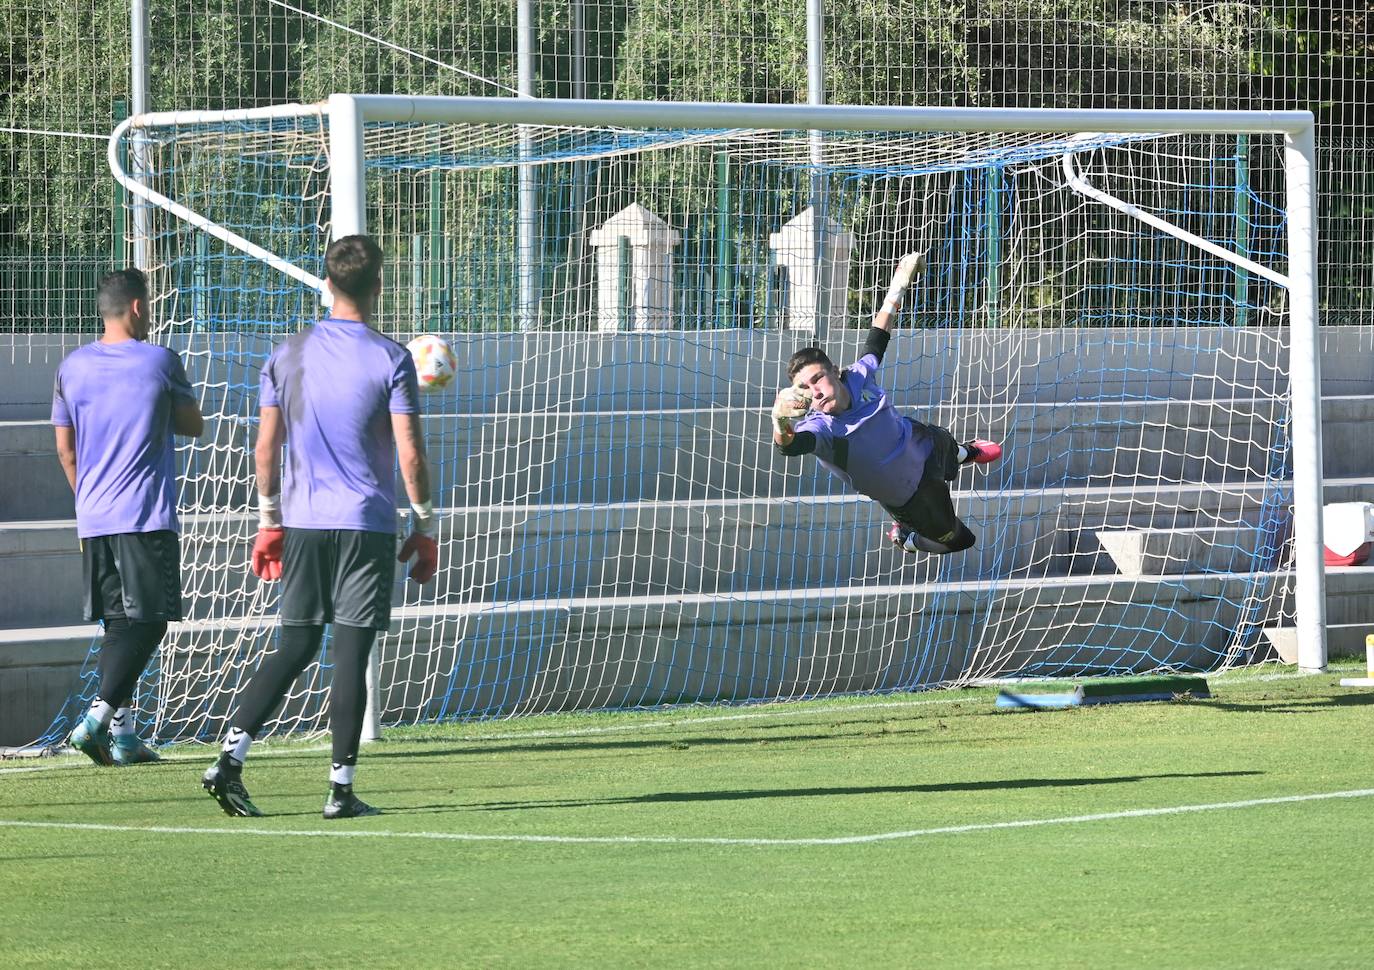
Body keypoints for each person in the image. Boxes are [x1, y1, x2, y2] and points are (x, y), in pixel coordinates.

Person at [202, 234, 438, 820]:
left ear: (326, 282)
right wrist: (426, 523)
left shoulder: (288, 353)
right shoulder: (390, 357)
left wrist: (268, 521)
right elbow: (410, 454)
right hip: (366, 526)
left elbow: (264, 448)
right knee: (350, 654)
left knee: (297, 644)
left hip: (303, 522)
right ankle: (339, 791)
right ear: (379, 286)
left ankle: (229, 757)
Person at [52, 267, 204, 766]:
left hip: (93, 517)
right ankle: (95, 720)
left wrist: (89, 499)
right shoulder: (159, 360)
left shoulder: (72, 367)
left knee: (118, 624)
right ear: (138, 307)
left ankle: (123, 736)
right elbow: (193, 425)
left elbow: (65, 449)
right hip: (143, 515)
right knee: (151, 621)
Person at [770, 253, 1001, 556]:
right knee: (959, 540)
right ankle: (907, 538)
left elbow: (877, 337)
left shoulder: (858, 376)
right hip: (911, 497)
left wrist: (899, 284)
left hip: (921, 443)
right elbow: (789, 446)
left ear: (835, 372)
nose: (814, 391)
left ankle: (964, 451)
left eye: (818, 379)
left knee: (942, 439)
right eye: (804, 387)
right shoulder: (821, 429)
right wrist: (780, 421)